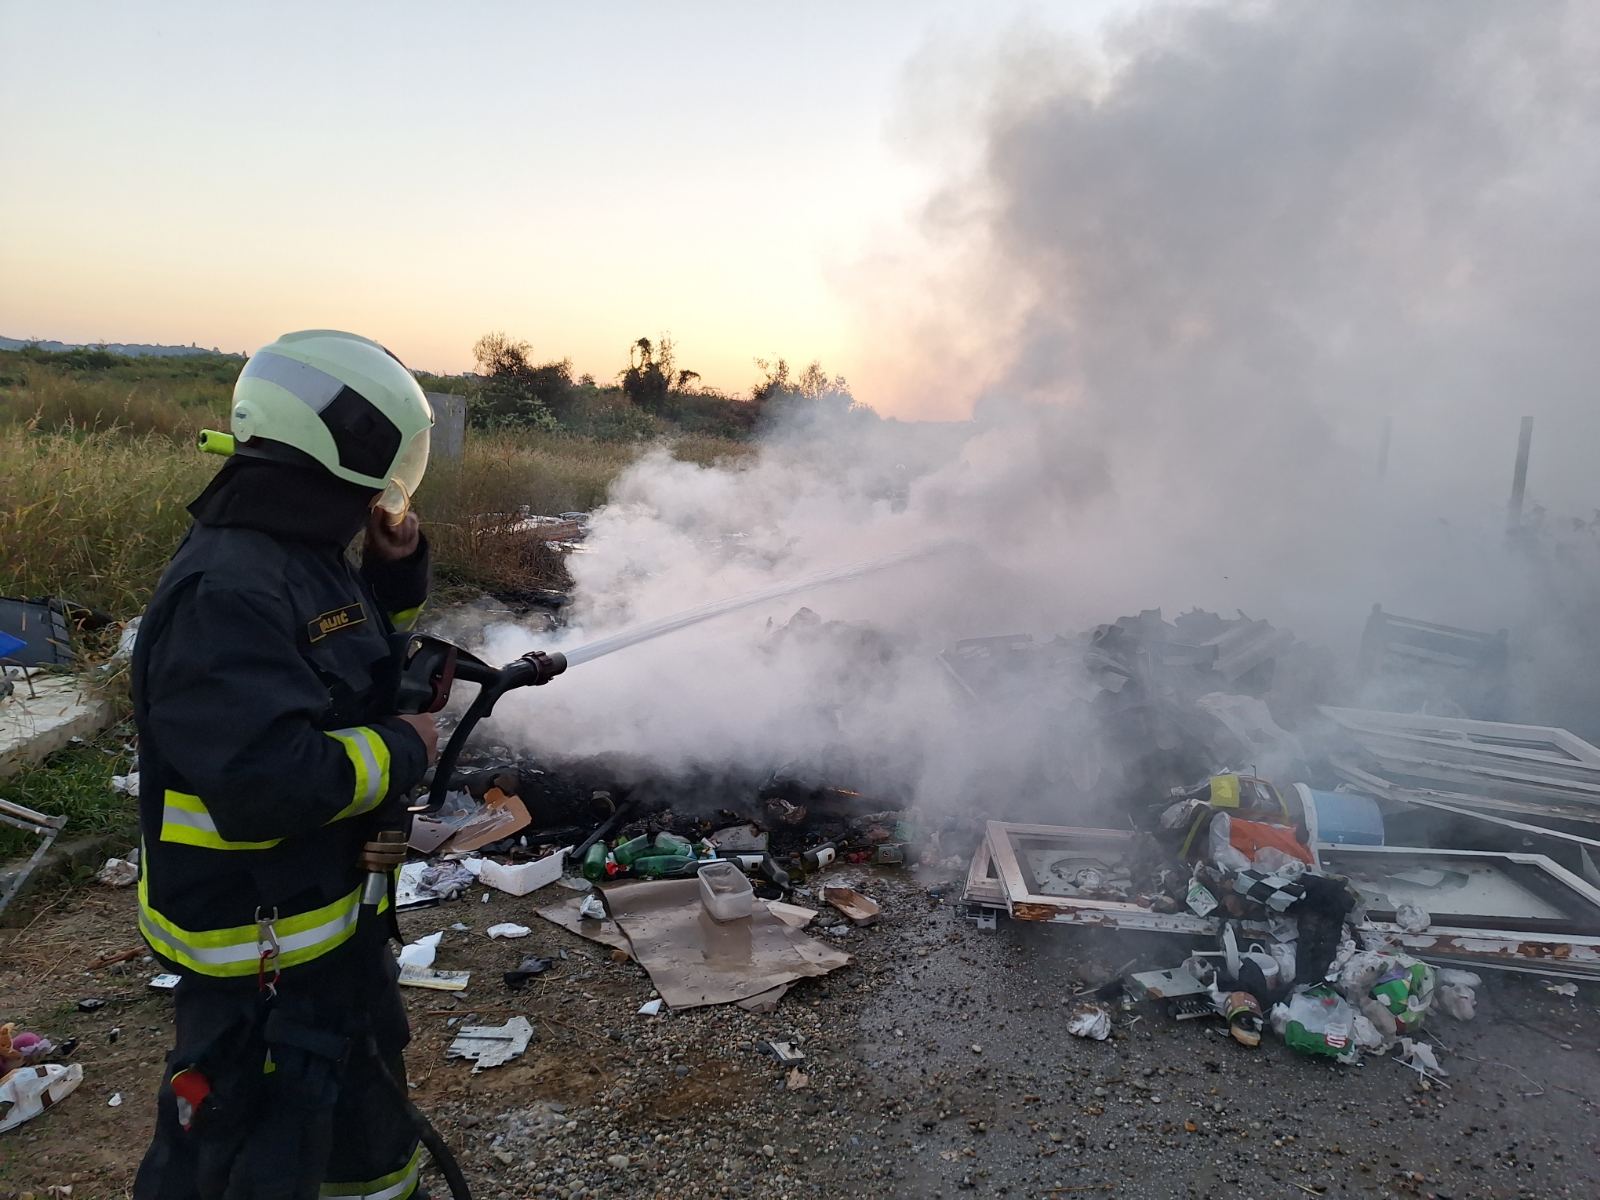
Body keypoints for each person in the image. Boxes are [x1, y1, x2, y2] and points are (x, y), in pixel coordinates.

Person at [131, 330, 440, 1199]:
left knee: (369, 1148)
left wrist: (394, 575)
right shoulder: (228, 589)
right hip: (255, 957)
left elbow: (349, 665)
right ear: (345, 444)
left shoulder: (296, 551)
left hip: (326, 930)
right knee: (244, 1165)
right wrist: (407, 746)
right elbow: (267, 783)